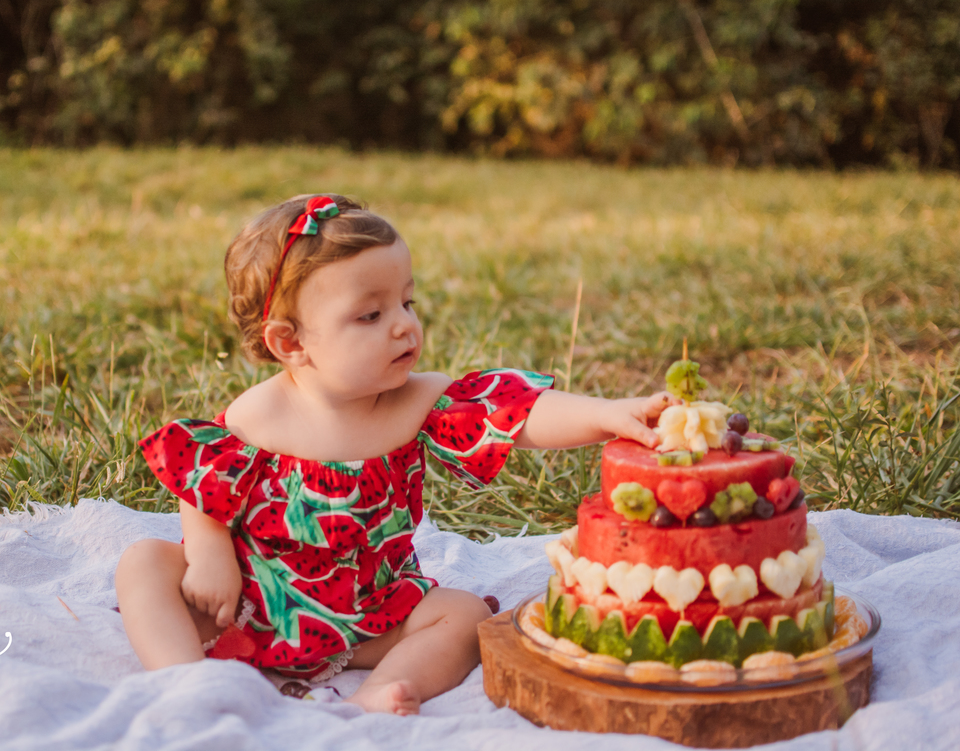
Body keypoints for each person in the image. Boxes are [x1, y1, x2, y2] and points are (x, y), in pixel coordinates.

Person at [115, 194, 673, 715]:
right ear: (290, 343)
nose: (405, 325)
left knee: (466, 616)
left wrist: (605, 414)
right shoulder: (258, 415)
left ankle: (383, 691)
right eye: (370, 315)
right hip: (252, 608)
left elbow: (517, 413)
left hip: (371, 613)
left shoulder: (417, 400)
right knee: (144, 561)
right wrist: (212, 556)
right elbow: (202, 479)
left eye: (406, 302)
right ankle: (185, 681)